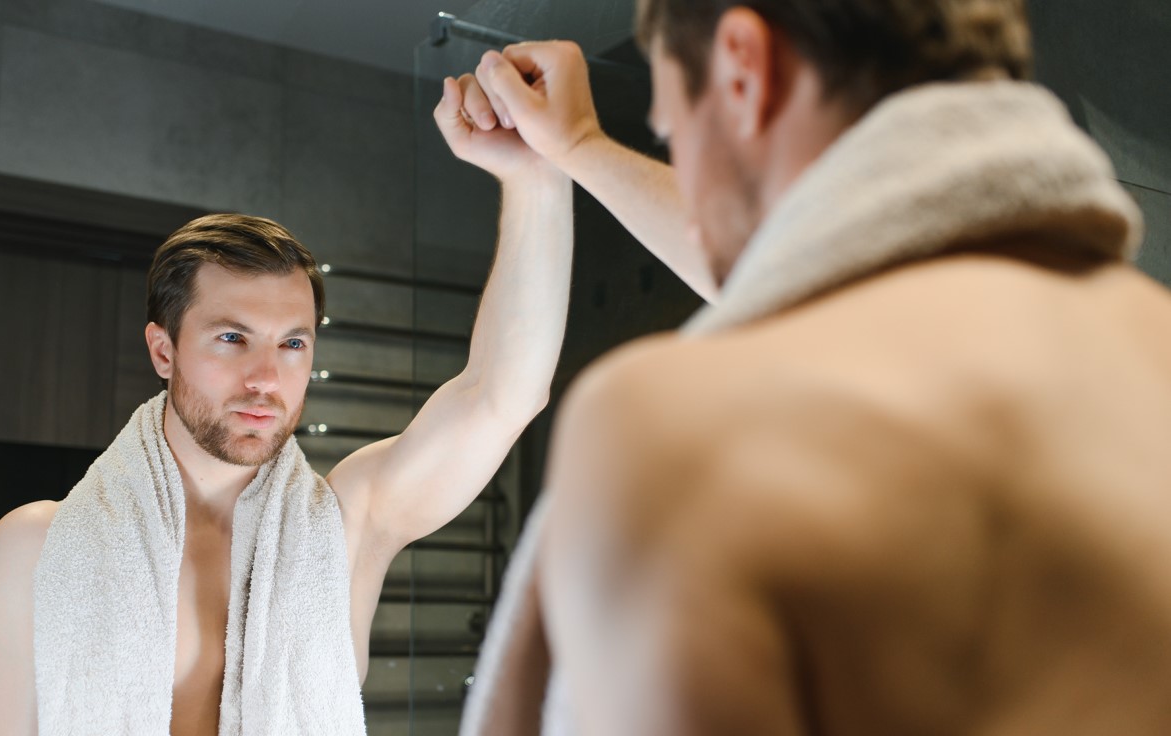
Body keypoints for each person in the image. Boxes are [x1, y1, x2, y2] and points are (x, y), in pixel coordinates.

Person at [449, 1, 1171, 734]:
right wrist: (578, 146)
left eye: (671, 132)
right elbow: (815, 259)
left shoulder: (676, 434)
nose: (691, 199)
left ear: (742, 68)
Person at [0, 84, 574, 734]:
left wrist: (538, 175)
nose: (266, 378)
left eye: (292, 344)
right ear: (164, 351)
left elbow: (505, 394)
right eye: (233, 338)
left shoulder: (347, 528)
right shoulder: (34, 550)